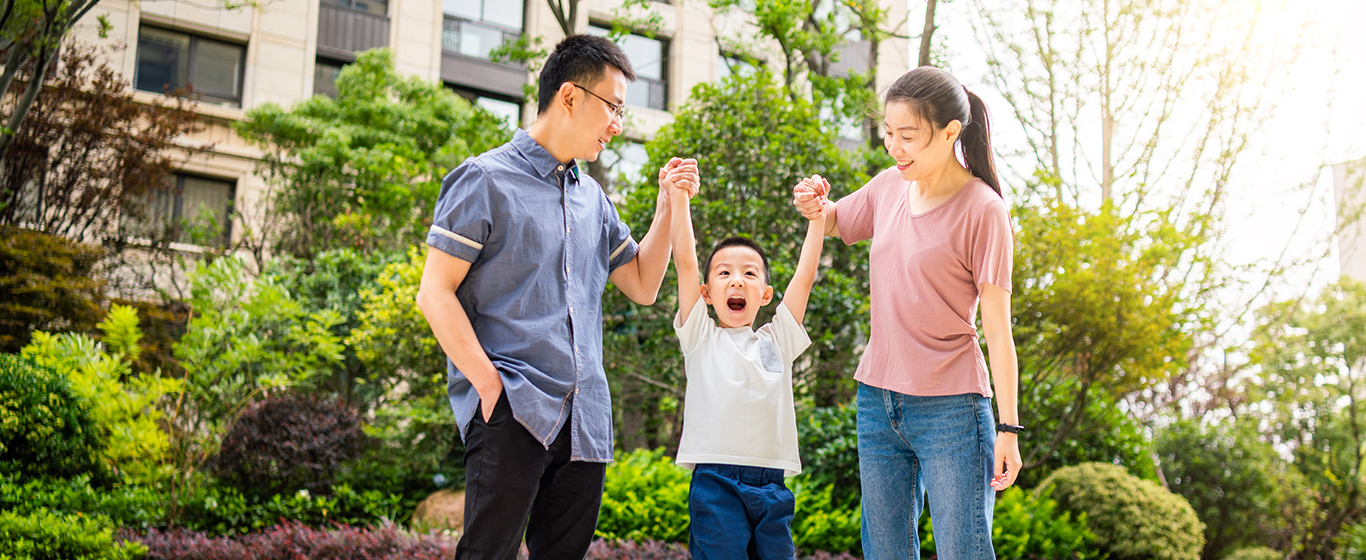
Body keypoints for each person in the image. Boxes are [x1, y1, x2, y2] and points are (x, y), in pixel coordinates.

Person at [415, 34, 699, 560]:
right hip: (513, 407)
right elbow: (435, 292)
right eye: (613, 106)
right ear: (569, 97)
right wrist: (488, 385)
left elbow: (642, 284)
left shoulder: (593, 197)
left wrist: (666, 204)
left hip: (585, 418)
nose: (619, 123)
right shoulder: (484, 179)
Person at [792, 66, 1023, 560]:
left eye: (908, 136)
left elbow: (998, 333)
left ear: (950, 132)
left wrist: (1009, 429)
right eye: (889, 134)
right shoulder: (889, 186)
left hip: (953, 408)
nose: (894, 148)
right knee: (885, 551)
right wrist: (816, 202)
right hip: (878, 400)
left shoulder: (983, 210)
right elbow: (835, 220)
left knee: (965, 550)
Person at [668, 164, 826, 559]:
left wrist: (818, 219)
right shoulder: (700, 337)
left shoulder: (778, 340)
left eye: (749, 273)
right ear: (706, 292)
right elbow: (686, 262)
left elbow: (804, 278)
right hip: (715, 483)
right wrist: (679, 198)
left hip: (771, 483)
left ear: (767, 293)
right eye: (724, 273)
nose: (736, 281)